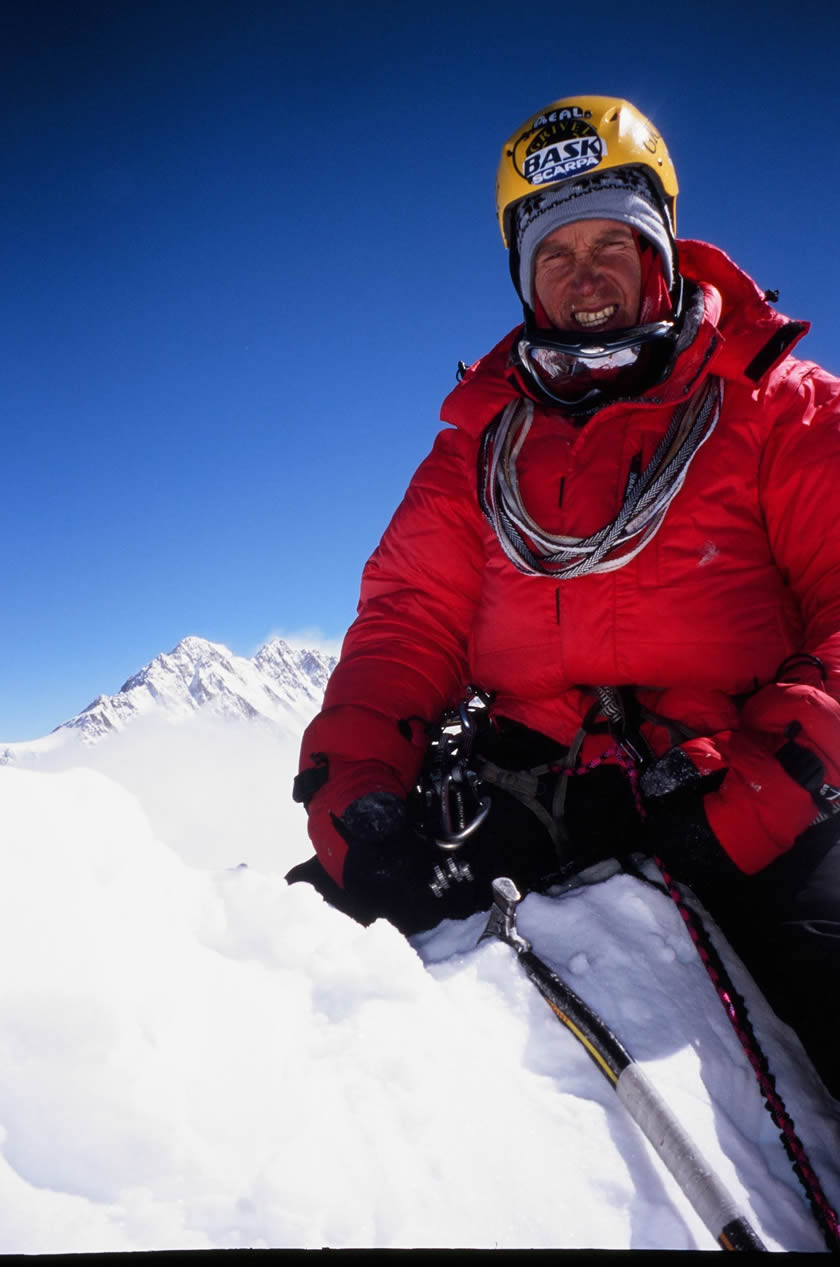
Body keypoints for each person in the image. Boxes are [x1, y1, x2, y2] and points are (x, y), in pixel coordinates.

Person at [288, 95, 840, 1097]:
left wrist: (764, 793)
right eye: (555, 254)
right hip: (533, 778)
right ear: (524, 278)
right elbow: (409, 623)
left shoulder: (781, 406)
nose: (583, 275)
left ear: (660, 251)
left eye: (609, 244)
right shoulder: (477, 448)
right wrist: (357, 792)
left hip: (745, 774)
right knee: (306, 958)